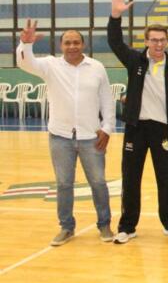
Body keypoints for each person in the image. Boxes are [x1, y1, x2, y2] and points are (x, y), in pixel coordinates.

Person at [16, 20, 115, 246]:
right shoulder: (50, 65)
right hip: (60, 137)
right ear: (61, 46)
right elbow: (25, 63)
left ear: (83, 44)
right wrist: (26, 44)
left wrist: (107, 128)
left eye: (76, 42)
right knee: (63, 184)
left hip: (91, 137)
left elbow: (106, 100)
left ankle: (104, 224)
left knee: (99, 182)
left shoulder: (96, 67)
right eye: (67, 43)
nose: (72, 46)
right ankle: (66, 227)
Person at [108, 0, 168, 244]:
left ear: (167, 41)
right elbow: (115, 43)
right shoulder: (135, 61)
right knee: (131, 178)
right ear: (147, 41)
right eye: (154, 40)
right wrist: (115, 16)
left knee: (167, 178)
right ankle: (127, 227)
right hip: (136, 128)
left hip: (163, 130)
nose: (158, 44)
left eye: (162, 40)